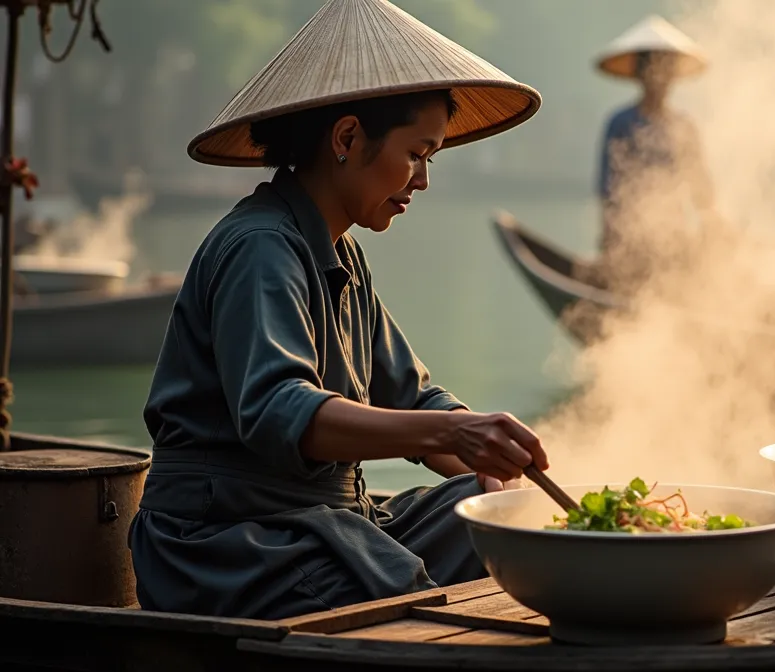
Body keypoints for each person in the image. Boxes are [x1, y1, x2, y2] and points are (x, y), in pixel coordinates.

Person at [128, 0, 547, 621]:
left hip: (322, 521)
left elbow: (414, 398)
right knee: (404, 595)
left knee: (492, 523)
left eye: (431, 158)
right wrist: (454, 433)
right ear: (348, 138)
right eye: (416, 153)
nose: (423, 179)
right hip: (227, 544)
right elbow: (279, 411)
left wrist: (493, 462)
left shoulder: (339, 253)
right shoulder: (261, 248)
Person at [592, 15, 725, 289]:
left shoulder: (684, 127)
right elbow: (609, 192)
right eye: (653, 69)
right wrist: (610, 245)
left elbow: (701, 191)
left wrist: (713, 230)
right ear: (640, 75)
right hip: (629, 242)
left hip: (674, 238)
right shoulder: (621, 124)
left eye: (667, 70)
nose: (661, 79)